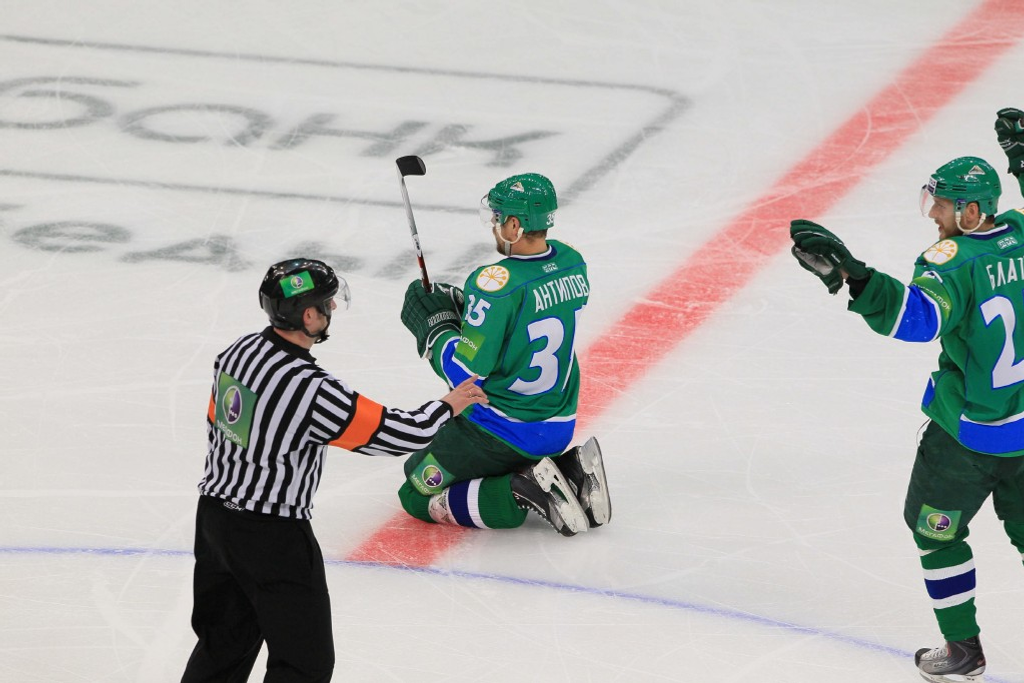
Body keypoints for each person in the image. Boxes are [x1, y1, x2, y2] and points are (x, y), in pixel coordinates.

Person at [789, 108, 1024, 683]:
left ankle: (963, 648)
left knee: (934, 532)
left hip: (967, 441)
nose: (934, 216)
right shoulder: (1020, 231)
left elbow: (918, 321)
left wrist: (855, 277)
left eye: (942, 205)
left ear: (972, 212)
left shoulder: (953, 260)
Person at [181, 258, 486, 683]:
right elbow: (396, 433)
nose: (333, 309)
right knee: (304, 665)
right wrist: (448, 405)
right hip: (272, 537)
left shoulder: (238, 352)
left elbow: (222, 421)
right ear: (308, 316)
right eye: (327, 303)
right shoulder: (311, 390)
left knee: (223, 645)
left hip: (214, 520)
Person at [395, 172, 611, 537]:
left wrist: (436, 332)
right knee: (431, 461)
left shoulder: (494, 283)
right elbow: (526, 319)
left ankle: (519, 490)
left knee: (415, 489)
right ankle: (571, 471)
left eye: (498, 218)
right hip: (559, 423)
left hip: (502, 430)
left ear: (514, 225)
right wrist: (472, 316)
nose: (494, 226)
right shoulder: (572, 261)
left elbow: (466, 373)